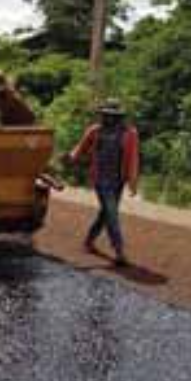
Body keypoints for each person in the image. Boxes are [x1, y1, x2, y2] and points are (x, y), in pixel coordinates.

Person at [66, 100, 140, 267]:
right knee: (112, 215)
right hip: (101, 180)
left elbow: (134, 159)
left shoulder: (130, 133)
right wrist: (70, 158)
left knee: (105, 214)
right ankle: (119, 251)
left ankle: (88, 241)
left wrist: (132, 182)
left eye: (112, 116)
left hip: (118, 180)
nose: (108, 118)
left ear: (119, 117)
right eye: (106, 115)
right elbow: (79, 149)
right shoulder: (95, 131)